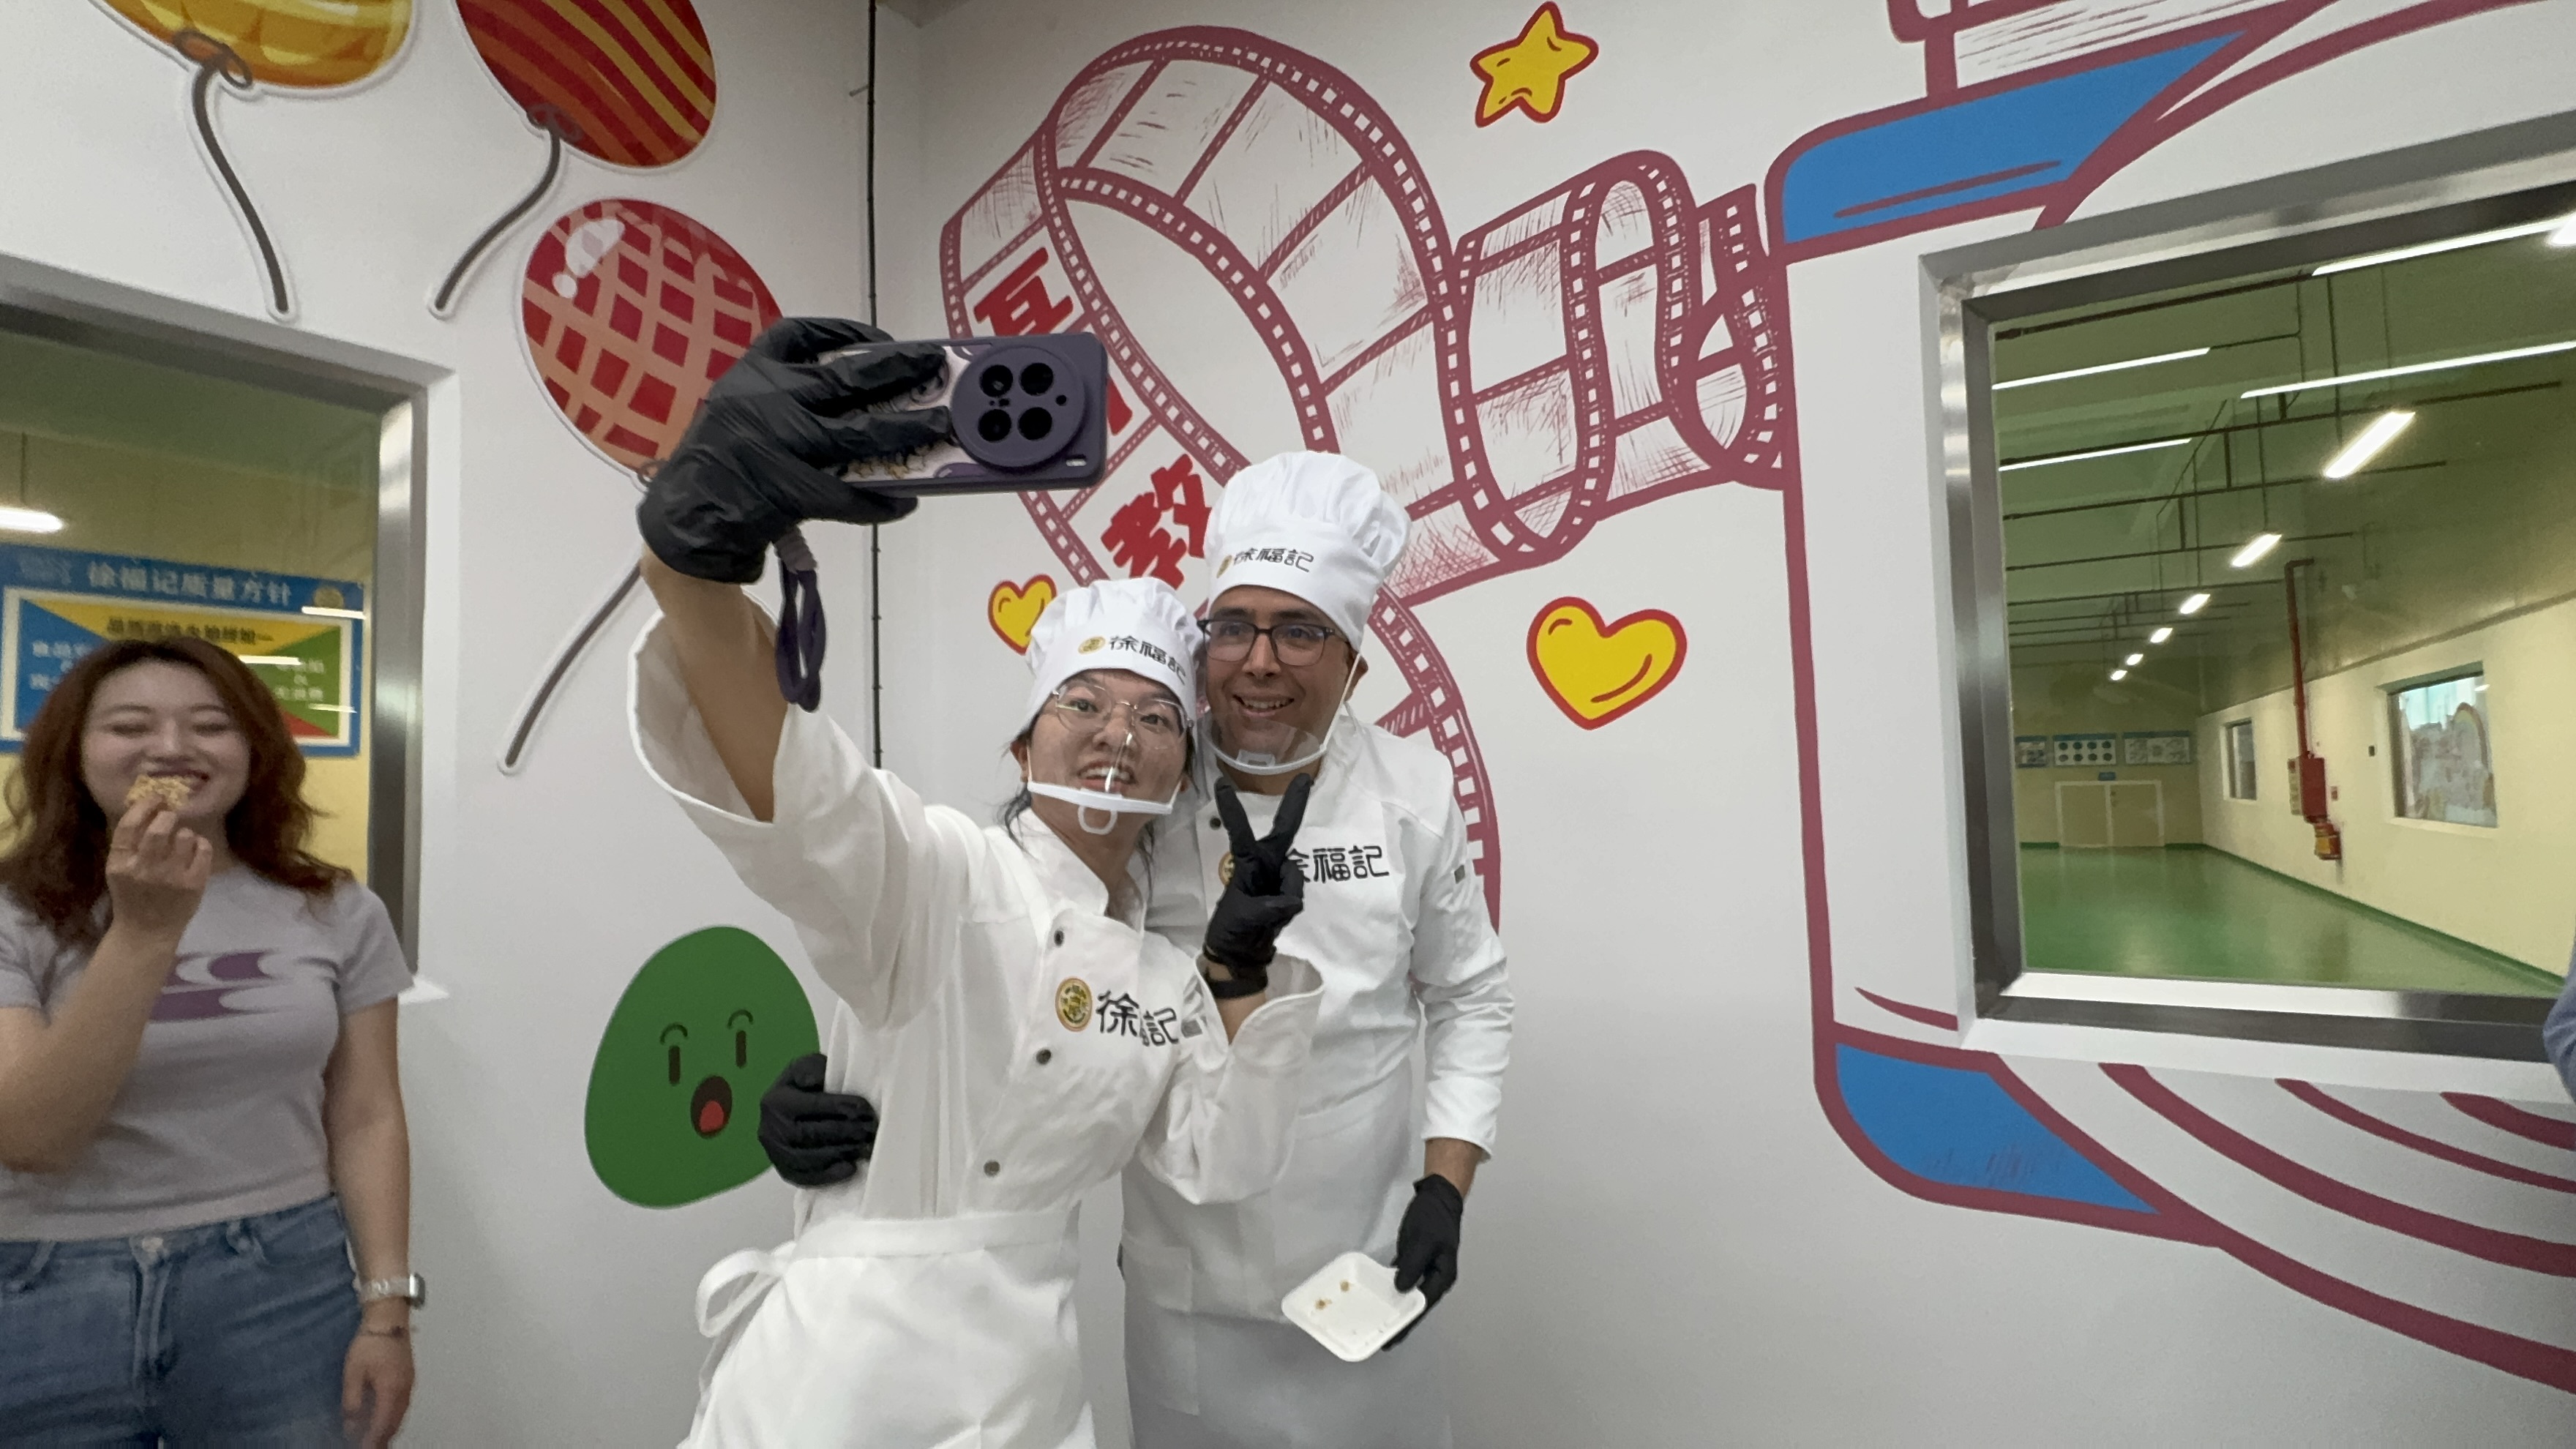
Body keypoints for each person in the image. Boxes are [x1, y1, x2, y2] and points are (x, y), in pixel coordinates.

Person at [632, 316, 1331, 1448]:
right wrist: (690, 566)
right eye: (1083, 703)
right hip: (831, 1381)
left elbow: (1227, 1160)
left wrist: (1243, 971)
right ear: (1024, 744)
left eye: (1156, 718)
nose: (1118, 734)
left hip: (1019, 1393)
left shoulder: (1164, 981)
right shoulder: (942, 873)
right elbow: (811, 801)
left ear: (1181, 770)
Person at [761, 452, 1514, 1448]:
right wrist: (858, 1074)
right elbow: (1007, 934)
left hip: (1362, 1251)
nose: (1259, 661)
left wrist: (1444, 1187)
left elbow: (1469, 996)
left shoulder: (1411, 795)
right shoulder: (1146, 779)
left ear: (1354, 663)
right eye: (1233, 627)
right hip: (1186, 1273)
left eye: (1299, 630)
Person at [0, 637, 416, 1448]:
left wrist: (387, 1312)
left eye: (211, 726)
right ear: (73, 752)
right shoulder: (16, 912)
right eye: (129, 726)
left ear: (254, 752)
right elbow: (31, 1138)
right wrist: (145, 932)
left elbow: (367, 1115)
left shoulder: (335, 907)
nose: (171, 748)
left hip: (280, 1278)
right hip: (44, 1285)